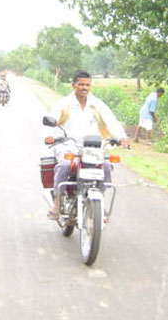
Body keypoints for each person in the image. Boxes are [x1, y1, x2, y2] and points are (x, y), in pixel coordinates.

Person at [43, 70, 130, 220]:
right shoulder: (65, 103)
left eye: (87, 85)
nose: (85, 88)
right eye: (81, 84)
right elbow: (52, 117)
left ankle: (99, 202)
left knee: (107, 167)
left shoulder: (96, 104)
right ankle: (57, 203)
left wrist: (122, 137)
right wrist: (49, 135)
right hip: (68, 145)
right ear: (73, 85)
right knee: (64, 165)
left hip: (92, 148)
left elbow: (111, 120)